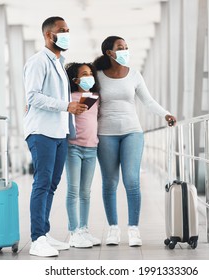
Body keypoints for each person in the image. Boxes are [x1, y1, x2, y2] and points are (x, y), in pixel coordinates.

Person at [93, 36, 176, 247]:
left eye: (127, 47)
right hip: (105, 134)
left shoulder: (135, 75)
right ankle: (113, 228)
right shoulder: (98, 76)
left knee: (131, 181)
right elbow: (82, 96)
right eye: (121, 48)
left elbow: (148, 101)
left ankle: (133, 229)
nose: (125, 50)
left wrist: (165, 114)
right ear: (109, 53)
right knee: (110, 182)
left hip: (132, 132)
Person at [23, 16, 88, 257]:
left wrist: (72, 109)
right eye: (62, 30)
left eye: (69, 30)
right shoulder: (38, 61)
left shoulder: (60, 63)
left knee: (51, 185)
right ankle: (37, 238)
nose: (67, 34)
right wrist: (66, 106)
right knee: (42, 183)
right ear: (49, 35)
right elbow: (33, 97)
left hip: (59, 133)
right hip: (42, 132)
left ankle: (44, 233)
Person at [65, 62, 101, 248]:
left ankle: (84, 230)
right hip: (73, 148)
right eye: (84, 74)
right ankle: (74, 232)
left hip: (91, 149)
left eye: (90, 74)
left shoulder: (95, 97)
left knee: (85, 192)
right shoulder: (70, 97)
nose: (89, 77)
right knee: (73, 191)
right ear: (76, 80)